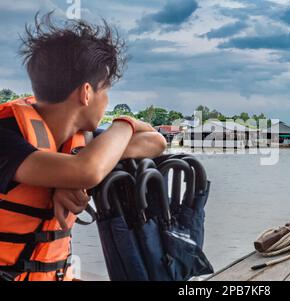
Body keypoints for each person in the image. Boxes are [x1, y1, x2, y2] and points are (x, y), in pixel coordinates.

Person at [0, 13, 167, 281]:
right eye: (106, 91)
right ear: (86, 93)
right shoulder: (6, 138)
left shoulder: (81, 140)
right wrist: (124, 125)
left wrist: (67, 170)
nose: (107, 101)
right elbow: (87, 171)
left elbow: (156, 141)